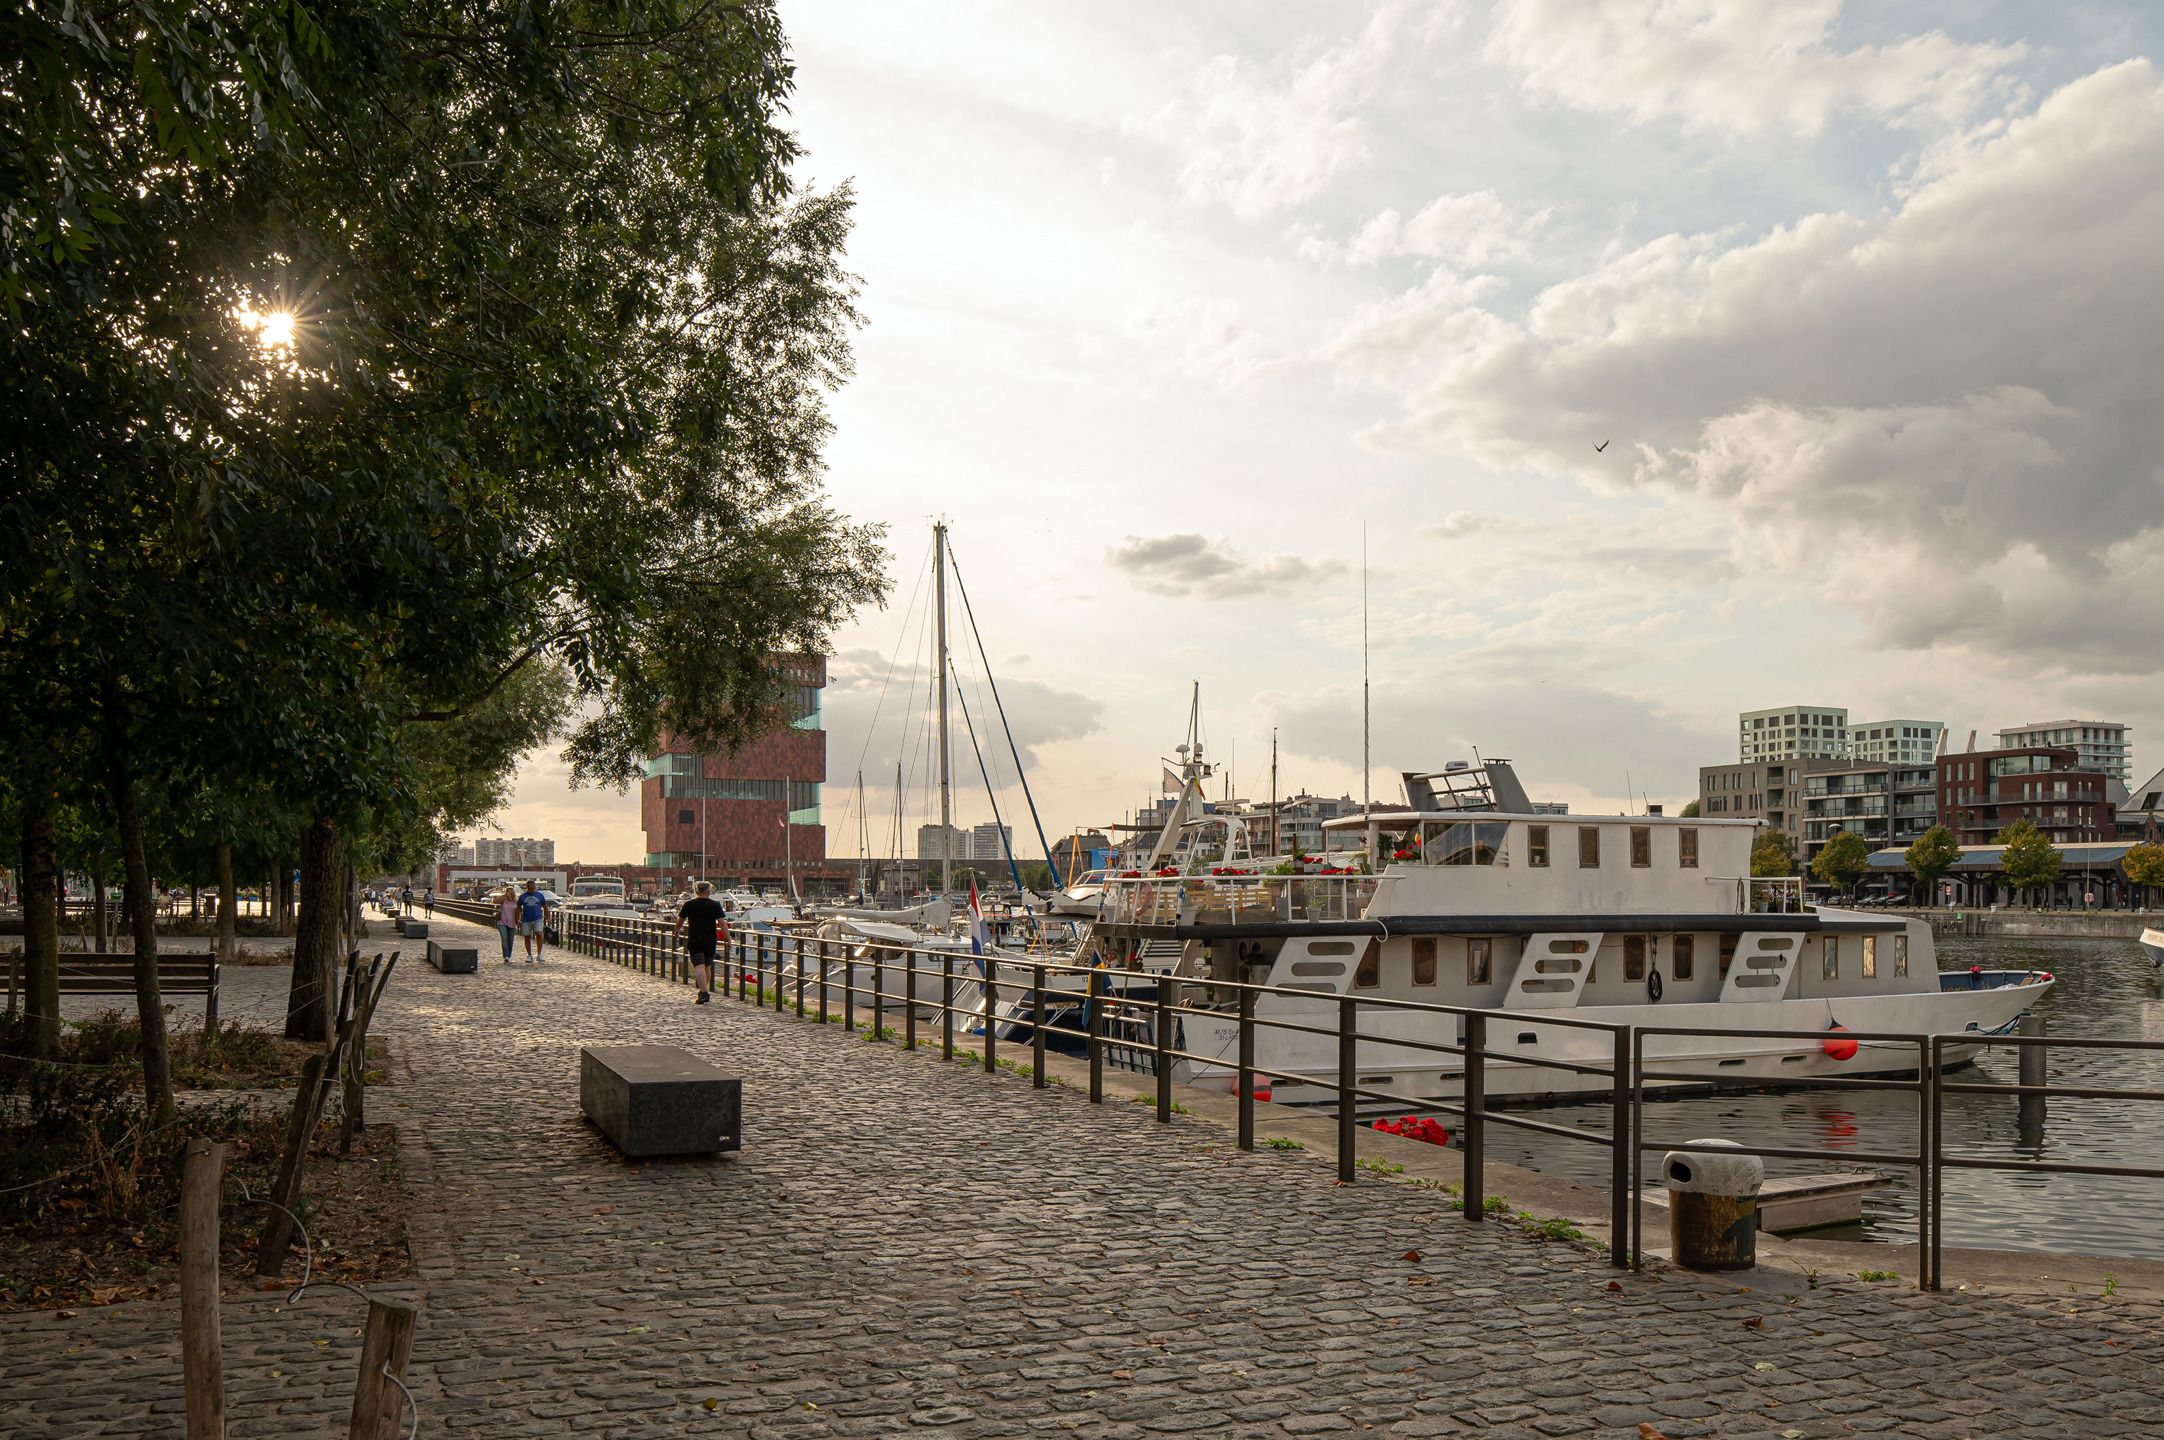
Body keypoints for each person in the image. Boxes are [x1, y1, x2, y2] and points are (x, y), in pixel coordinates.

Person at [674, 881, 728, 1005]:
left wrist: (676, 930)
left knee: (699, 967)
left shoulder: (689, 904)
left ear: (696, 891)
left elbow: (680, 921)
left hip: (695, 939)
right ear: (708, 891)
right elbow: (722, 923)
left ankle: (704, 992)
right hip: (710, 940)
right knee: (707, 967)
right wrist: (728, 939)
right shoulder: (715, 905)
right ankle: (704, 990)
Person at [516, 879, 548, 962]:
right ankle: (529, 955)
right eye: (529, 888)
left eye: (532, 888)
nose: (531, 889)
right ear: (527, 887)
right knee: (527, 936)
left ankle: (539, 954)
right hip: (526, 919)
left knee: (539, 934)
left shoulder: (540, 895)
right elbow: (518, 908)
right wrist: (517, 919)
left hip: (537, 918)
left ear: (535, 887)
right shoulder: (523, 896)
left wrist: (547, 917)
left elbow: (545, 906)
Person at [495, 887, 519, 965]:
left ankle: (509, 955)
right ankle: (506, 956)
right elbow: (495, 901)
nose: (510, 893)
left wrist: (518, 921)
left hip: (512, 923)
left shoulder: (516, 901)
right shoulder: (503, 900)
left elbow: (519, 911)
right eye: (508, 892)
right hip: (502, 922)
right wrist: (504, 895)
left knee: (510, 941)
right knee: (505, 940)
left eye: (511, 892)